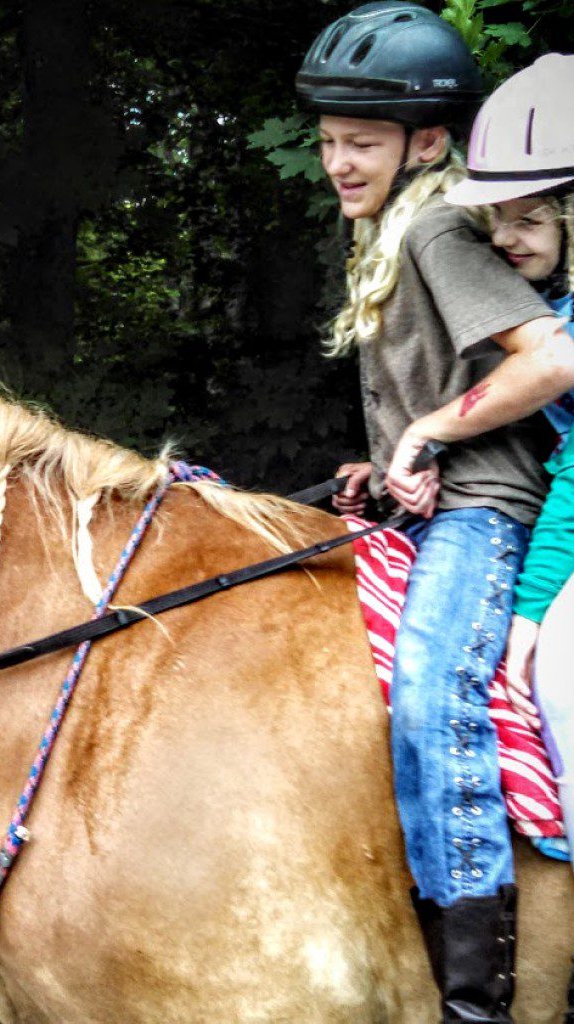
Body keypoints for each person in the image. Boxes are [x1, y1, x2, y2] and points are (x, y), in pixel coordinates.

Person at [297, 5, 574, 1021]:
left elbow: (552, 362)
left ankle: (476, 991)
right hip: (431, 502)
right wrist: (383, 463)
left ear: (424, 143)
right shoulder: (385, 229)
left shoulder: (437, 226)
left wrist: (426, 433)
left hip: (485, 513)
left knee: (429, 688)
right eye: (328, 141)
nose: (338, 162)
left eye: (362, 143)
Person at [443, 55, 574, 849]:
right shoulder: (555, 307)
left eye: (529, 219)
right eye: (497, 217)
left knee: (557, 670)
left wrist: (528, 613)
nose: (502, 238)